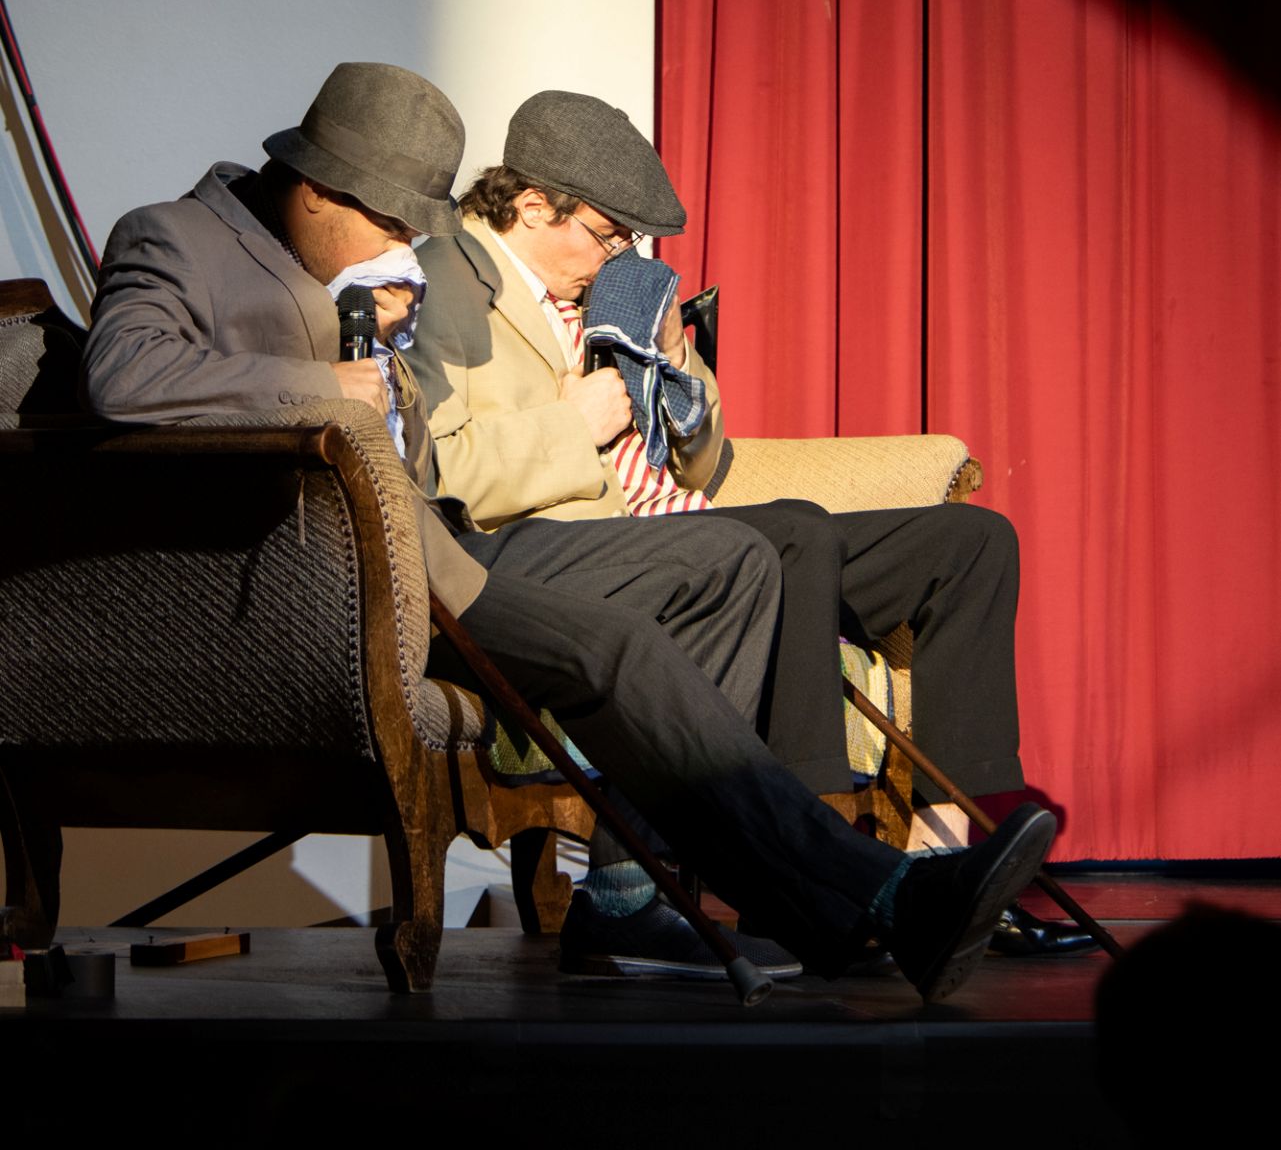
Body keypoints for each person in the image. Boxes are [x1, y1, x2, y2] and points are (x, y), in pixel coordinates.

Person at [81, 60, 1057, 999]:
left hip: (431, 564)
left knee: (649, 628)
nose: (403, 245)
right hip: (340, 583)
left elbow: (407, 444)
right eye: (391, 222)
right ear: (319, 189)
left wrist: (406, 370)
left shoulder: (348, 265)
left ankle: (814, 901)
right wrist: (329, 383)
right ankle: (881, 900)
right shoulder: (176, 237)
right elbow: (123, 376)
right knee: (710, 579)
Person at [408, 87, 1090, 959]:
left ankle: (944, 849)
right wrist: (571, 424)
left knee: (968, 543)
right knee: (791, 532)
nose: (620, 256)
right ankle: (819, 872)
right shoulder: (443, 283)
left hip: (683, 519)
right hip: (576, 548)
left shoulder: (607, 289)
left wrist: (677, 367)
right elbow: (437, 475)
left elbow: (700, 465)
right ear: (535, 205)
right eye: (609, 234)